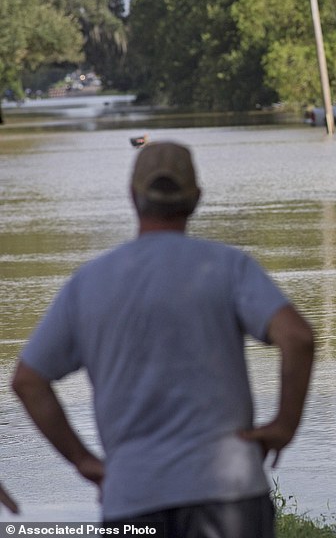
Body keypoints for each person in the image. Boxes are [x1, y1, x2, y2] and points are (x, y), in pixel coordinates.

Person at [11, 141, 315, 537]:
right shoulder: (228, 266)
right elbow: (298, 337)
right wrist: (284, 425)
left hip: (132, 497)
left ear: (132, 196)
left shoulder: (88, 284)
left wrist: (83, 460)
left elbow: (28, 381)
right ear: (197, 199)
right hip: (229, 495)